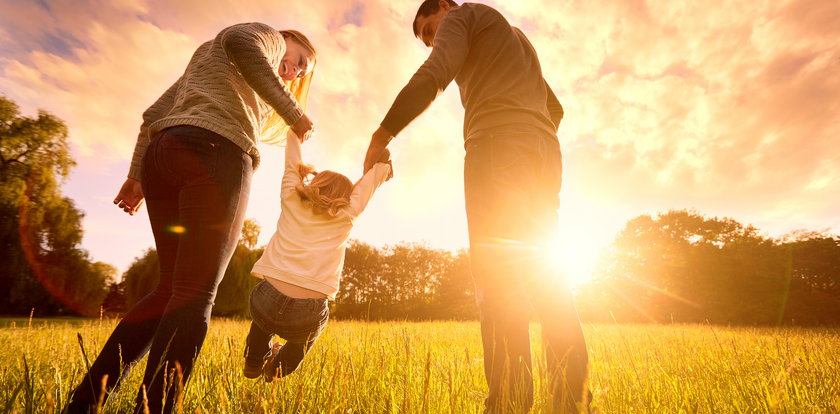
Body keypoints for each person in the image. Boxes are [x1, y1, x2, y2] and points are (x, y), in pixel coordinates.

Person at [66, 23, 317, 414]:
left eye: (303, 71)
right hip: (216, 153)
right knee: (196, 293)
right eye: (299, 59)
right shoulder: (265, 36)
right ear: (287, 39)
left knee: (169, 291)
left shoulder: (208, 59)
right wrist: (293, 111)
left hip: (164, 156)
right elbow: (240, 41)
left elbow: (153, 114)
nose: (297, 70)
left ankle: (83, 404)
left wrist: (136, 176)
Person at [362, 1, 589, 412]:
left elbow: (435, 73)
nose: (433, 41)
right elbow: (555, 108)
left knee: (498, 279)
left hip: (497, 150)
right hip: (543, 154)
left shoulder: (464, 17)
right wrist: (527, 132)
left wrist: (383, 135)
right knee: (547, 277)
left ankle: (508, 403)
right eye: (427, 39)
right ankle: (571, 402)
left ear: (446, 7)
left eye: (431, 30)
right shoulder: (516, 38)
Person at [243, 131, 392, 382]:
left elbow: (292, 163)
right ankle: (276, 368)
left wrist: (294, 133)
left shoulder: (292, 197)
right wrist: (382, 165)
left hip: (267, 298)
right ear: (346, 197)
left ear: (315, 183)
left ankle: (254, 362)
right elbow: (368, 186)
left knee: (262, 323)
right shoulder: (347, 214)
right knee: (302, 342)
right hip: (308, 310)